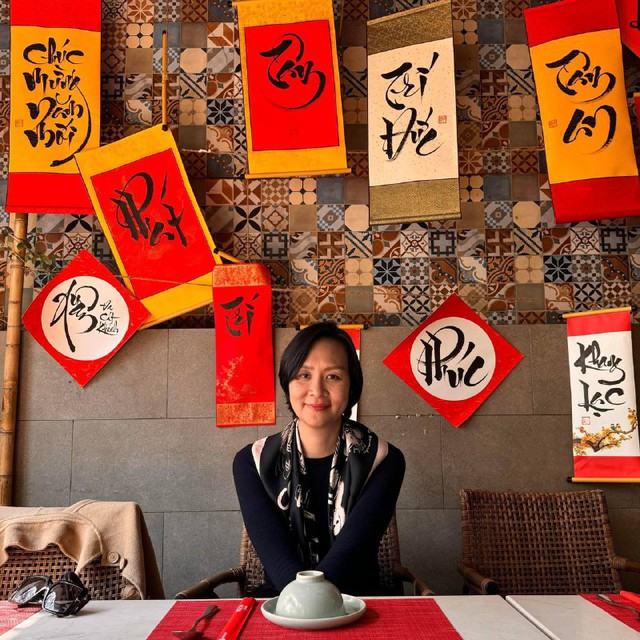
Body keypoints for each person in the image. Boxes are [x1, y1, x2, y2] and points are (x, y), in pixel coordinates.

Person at [233, 322, 406, 596]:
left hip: (358, 602)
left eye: (333, 376)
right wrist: (302, 602)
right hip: (282, 604)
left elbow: (351, 556)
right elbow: (276, 559)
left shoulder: (383, 460)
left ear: (352, 385)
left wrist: (309, 599)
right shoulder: (252, 462)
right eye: (303, 375)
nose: (317, 390)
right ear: (287, 382)